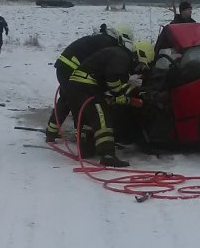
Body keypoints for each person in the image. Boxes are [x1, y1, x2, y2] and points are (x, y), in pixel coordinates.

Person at [61, 39, 155, 168]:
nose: (138, 70)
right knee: (102, 117)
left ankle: (86, 150)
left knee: (86, 120)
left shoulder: (118, 54)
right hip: (87, 87)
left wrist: (130, 95)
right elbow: (113, 81)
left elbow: (112, 89)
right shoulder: (123, 57)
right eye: (141, 66)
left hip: (76, 87)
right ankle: (108, 156)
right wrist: (130, 95)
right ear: (140, 55)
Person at [45, 23, 133, 142]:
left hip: (65, 66)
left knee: (66, 98)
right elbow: (98, 64)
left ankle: (52, 131)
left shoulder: (102, 38)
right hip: (71, 68)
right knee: (76, 102)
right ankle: (81, 136)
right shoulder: (107, 43)